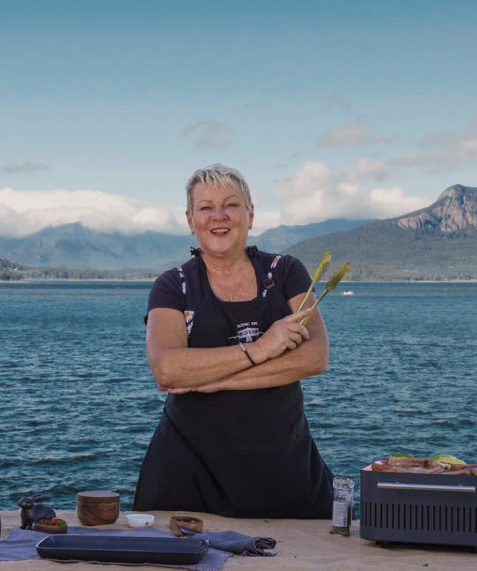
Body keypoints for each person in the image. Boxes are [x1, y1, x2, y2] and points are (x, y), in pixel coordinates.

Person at [133, 164, 335, 519]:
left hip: (284, 471)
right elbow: (166, 369)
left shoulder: (286, 272)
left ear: (250, 214)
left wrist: (215, 381)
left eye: (231, 204)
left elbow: (315, 357)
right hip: (187, 475)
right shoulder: (172, 286)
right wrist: (261, 348)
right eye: (206, 207)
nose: (219, 216)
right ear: (190, 219)